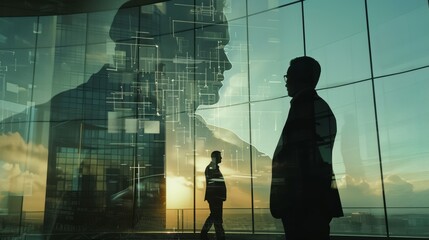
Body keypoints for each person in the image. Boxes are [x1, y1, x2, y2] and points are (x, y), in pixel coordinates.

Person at [270, 56, 343, 240]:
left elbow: (300, 159)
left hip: (302, 203)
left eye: (288, 77)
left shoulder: (305, 108)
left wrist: (287, 199)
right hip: (310, 202)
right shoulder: (316, 107)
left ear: (299, 78)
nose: (286, 82)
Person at [201, 150, 226, 240]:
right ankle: (218, 235)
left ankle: (218, 235)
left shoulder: (212, 168)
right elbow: (214, 184)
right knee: (216, 216)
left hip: (215, 197)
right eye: (219, 156)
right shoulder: (212, 168)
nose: (221, 158)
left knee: (215, 216)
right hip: (215, 197)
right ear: (215, 157)